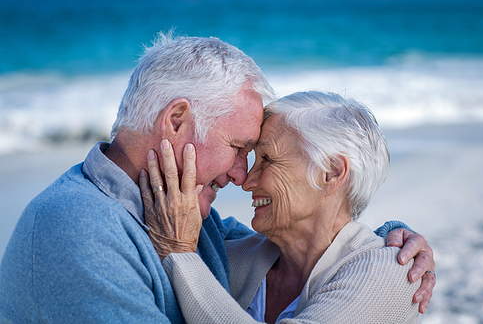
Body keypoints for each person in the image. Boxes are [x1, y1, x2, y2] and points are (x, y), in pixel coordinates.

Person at [0, 33, 434, 323]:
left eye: (260, 156)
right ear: (176, 120)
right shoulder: (78, 229)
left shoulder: (188, 221)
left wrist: (393, 239)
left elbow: (328, 242)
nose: (241, 176)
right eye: (240, 148)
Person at [141, 91, 433, 323]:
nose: (247, 180)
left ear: (330, 173)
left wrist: (179, 253)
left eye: (267, 159)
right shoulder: (234, 253)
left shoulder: (397, 271)